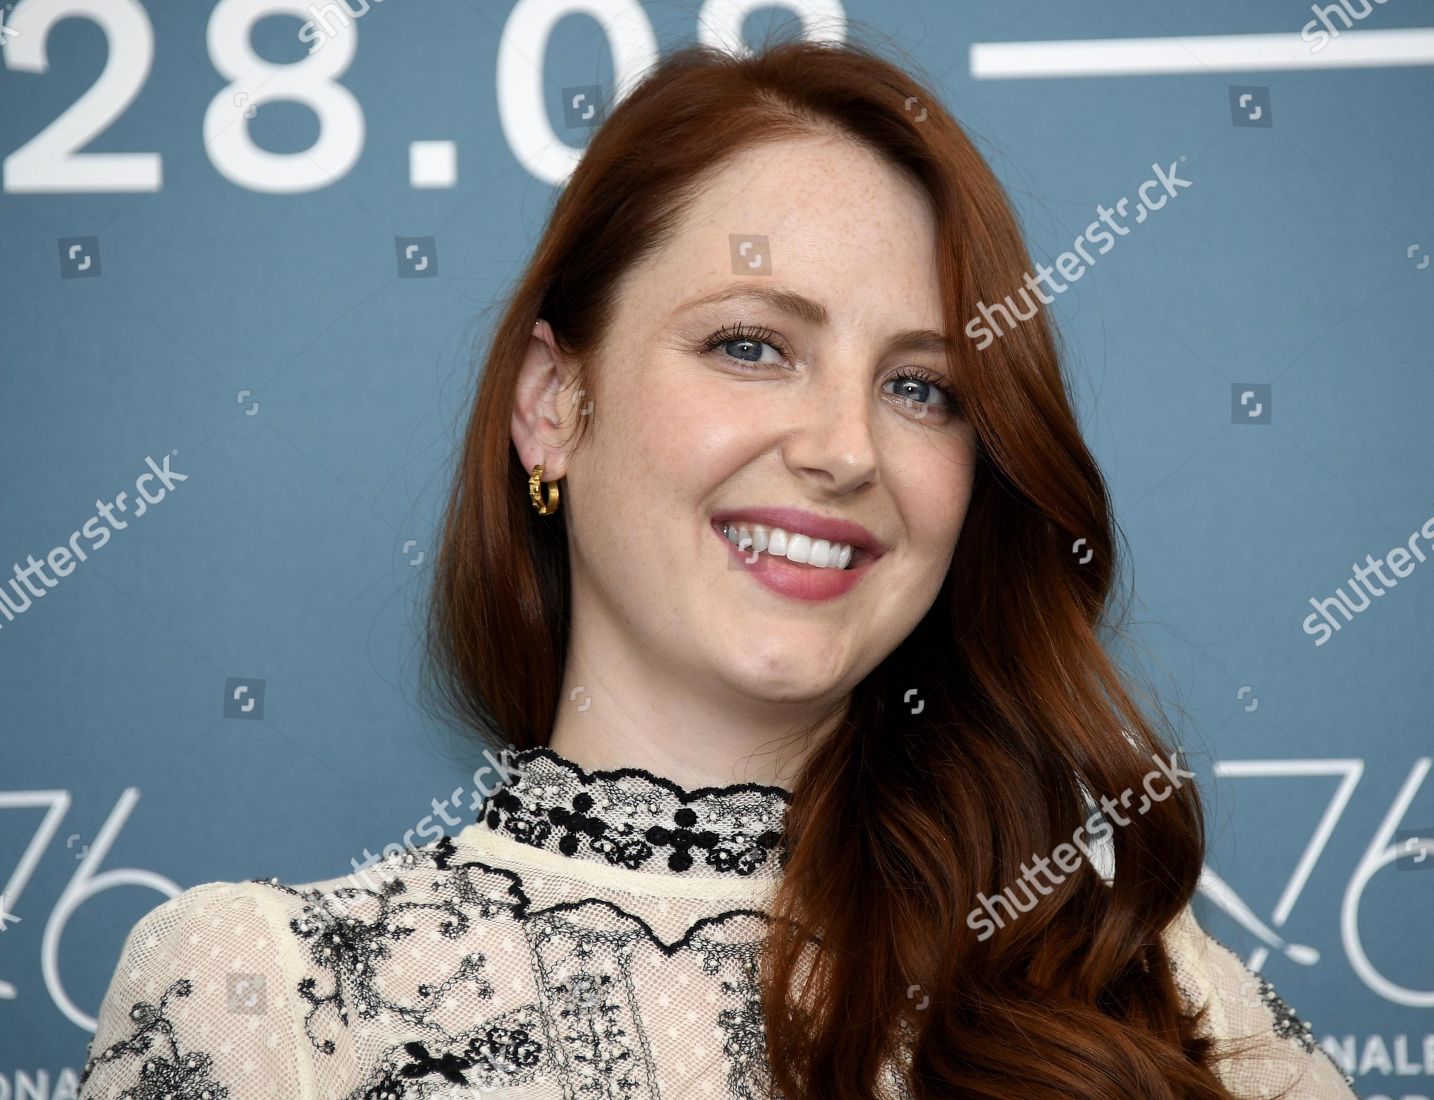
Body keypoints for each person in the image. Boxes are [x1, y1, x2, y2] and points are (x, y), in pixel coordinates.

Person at [79, 34, 1360, 1100]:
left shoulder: (1134, 985)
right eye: (752, 346)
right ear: (551, 402)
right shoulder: (263, 998)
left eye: (921, 387)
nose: (846, 448)